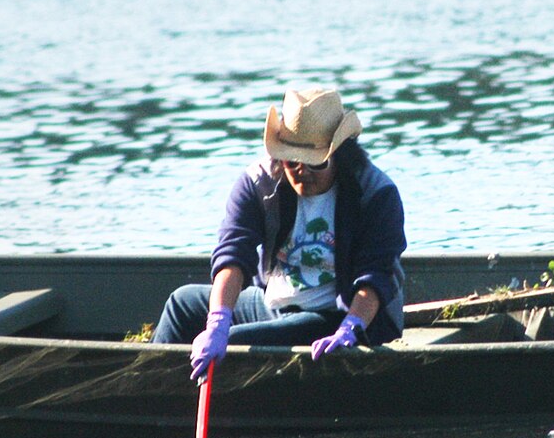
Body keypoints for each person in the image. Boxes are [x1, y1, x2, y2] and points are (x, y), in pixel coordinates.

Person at [154, 86, 407, 380]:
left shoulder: (375, 193)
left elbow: (376, 276)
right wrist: (218, 321)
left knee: (238, 343)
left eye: (316, 162)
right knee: (181, 304)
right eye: (291, 160)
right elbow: (234, 256)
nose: (302, 171)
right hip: (274, 302)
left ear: (338, 154)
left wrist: (351, 326)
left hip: (337, 315)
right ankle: (149, 389)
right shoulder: (256, 183)